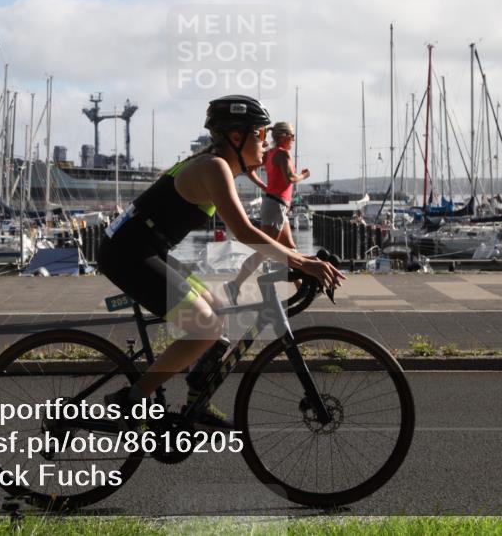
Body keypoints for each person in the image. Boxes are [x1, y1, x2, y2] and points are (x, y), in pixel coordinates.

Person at [98, 96, 343, 427]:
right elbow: (245, 232)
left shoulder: (216, 164)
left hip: (149, 247)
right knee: (205, 326)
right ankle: (130, 402)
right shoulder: (214, 169)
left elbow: (263, 227)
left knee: (217, 313)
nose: (266, 144)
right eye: (261, 135)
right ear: (237, 137)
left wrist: (300, 259)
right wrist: (302, 263)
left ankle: (196, 403)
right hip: (127, 253)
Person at [225, 121, 309, 304]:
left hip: (276, 205)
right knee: (265, 249)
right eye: (292, 136)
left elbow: (249, 170)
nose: (294, 139)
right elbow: (291, 178)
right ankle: (235, 284)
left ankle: (301, 287)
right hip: (276, 206)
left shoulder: (270, 153)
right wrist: (304, 175)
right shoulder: (283, 154)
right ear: (284, 136)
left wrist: (264, 186)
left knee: (290, 248)